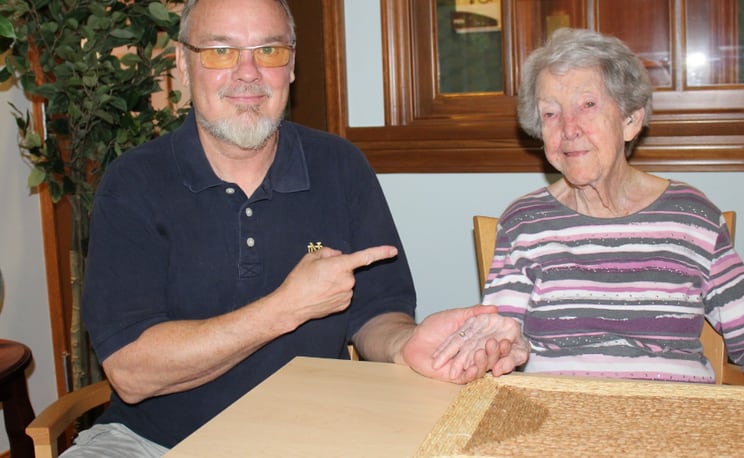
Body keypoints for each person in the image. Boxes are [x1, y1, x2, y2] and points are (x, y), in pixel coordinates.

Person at [66, 0, 526, 455]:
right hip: (151, 444)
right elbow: (131, 371)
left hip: (312, 436)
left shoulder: (340, 165)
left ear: (290, 68)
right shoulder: (132, 182)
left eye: (268, 50)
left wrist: (407, 344)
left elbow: (376, 313)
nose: (248, 73)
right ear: (183, 67)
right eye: (221, 52)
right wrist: (286, 308)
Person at [434, 28, 744, 390]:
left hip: (676, 424)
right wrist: (499, 350)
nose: (568, 129)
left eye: (588, 105)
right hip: (556, 422)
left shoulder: (691, 217)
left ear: (630, 120)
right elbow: (502, 334)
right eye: (551, 113)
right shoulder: (525, 223)